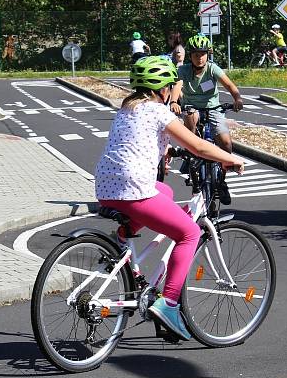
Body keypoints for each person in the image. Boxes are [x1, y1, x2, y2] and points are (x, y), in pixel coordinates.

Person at [95, 55, 244, 340]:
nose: (173, 91)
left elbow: (139, 142)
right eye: (171, 86)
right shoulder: (160, 112)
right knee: (189, 232)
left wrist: (166, 152)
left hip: (106, 188)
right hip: (134, 190)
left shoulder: (127, 109)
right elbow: (199, 146)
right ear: (163, 89)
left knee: (165, 191)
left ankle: (123, 237)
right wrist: (230, 159)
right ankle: (170, 304)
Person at [169, 34, 243, 204]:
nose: (200, 58)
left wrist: (237, 99)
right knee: (192, 120)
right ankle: (191, 152)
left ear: (207, 54)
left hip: (214, 108)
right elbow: (177, 86)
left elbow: (230, 85)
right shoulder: (184, 70)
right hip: (191, 108)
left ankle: (222, 181)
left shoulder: (212, 68)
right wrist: (174, 102)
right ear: (190, 56)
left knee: (226, 144)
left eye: (203, 54)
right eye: (196, 54)